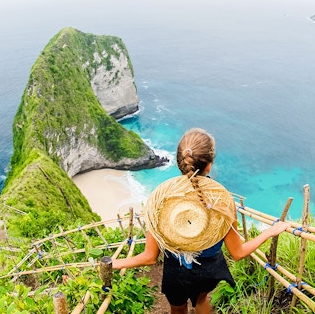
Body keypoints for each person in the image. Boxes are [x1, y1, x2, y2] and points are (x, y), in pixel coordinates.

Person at [112, 128, 290, 314]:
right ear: (209, 166)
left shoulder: (161, 201)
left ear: (179, 161)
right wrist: (270, 231)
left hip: (176, 271)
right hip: (209, 270)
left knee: (177, 307)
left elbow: (149, 257)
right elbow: (238, 253)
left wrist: (116, 263)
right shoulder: (222, 202)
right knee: (202, 299)